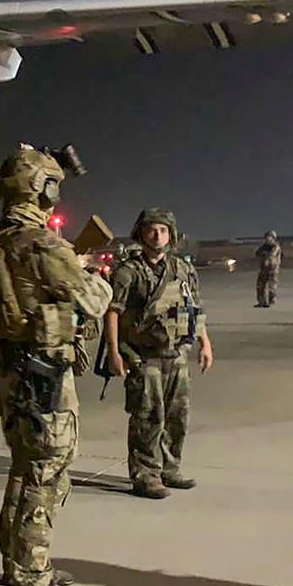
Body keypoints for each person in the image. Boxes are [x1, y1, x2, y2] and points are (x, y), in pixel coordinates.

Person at [0, 143, 111, 586]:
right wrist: (95, 278)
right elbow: (91, 301)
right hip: (44, 377)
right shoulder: (43, 245)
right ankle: (32, 577)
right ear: (42, 190)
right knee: (46, 474)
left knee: (25, 468)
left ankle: (18, 563)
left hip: (8, 372)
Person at [104, 208, 215, 500]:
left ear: (171, 235)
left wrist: (205, 343)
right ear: (141, 233)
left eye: (164, 230)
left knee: (178, 416)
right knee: (147, 416)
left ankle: (170, 468)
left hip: (176, 354)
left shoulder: (182, 269)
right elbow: (112, 312)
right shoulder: (128, 272)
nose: (158, 235)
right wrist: (114, 352)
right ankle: (145, 475)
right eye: (152, 229)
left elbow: (194, 309)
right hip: (143, 355)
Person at [255, 230, 282, 307]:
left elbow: (272, 255)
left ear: (273, 238)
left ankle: (271, 301)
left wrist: (264, 254)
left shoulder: (275, 246)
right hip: (263, 269)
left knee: (272, 286)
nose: (267, 239)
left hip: (272, 269)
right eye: (266, 237)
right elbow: (257, 253)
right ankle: (261, 302)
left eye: (269, 237)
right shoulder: (264, 246)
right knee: (260, 286)